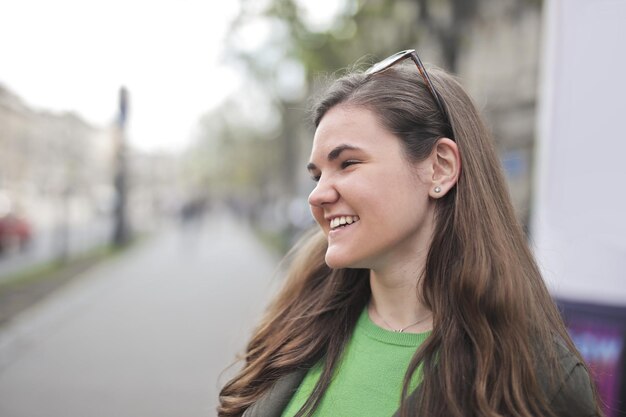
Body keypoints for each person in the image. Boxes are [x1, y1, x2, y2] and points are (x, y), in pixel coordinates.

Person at [218, 50, 603, 417]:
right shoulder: (293, 325)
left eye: (347, 163)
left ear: (439, 167)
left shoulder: (538, 380)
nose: (317, 195)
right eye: (317, 175)